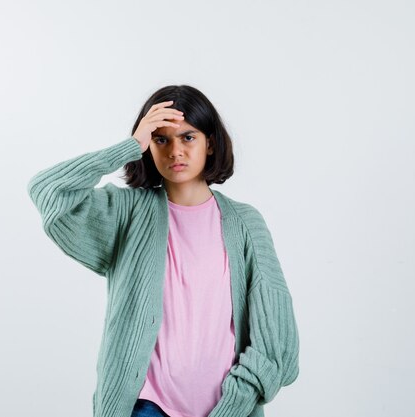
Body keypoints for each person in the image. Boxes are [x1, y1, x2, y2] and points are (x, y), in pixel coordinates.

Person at [27, 85, 300, 417]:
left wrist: (235, 403)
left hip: (229, 408)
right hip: (147, 407)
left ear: (210, 143)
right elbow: (48, 191)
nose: (175, 151)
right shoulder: (126, 214)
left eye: (188, 137)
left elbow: (277, 346)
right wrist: (130, 146)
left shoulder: (245, 224)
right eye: (161, 139)